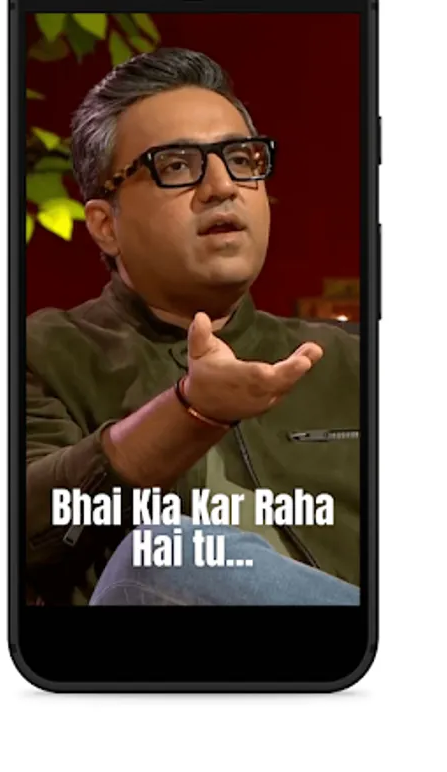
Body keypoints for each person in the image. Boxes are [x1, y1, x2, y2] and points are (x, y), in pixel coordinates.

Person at [26, 47, 360, 607]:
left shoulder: (353, 362)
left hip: (358, 651)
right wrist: (190, 412)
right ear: (106, 225)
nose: (222, 186)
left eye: (242, 159)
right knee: (167, 553)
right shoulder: (41, 354)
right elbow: (18, 532)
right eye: (177, 165)